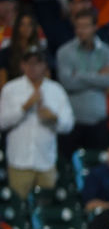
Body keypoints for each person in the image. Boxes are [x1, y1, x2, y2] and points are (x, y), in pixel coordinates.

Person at [0, 46, 74, 199]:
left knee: (45, 207)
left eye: (37, 62)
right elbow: (2, 122)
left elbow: (68, 124)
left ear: (45, 65)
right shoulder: (11, 89)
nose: (33, 67)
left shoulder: (56, 90)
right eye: (29, 62)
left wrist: (54, 118)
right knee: (19, 207)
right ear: (22, 65)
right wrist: (25, 107)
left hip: (45, 161)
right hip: (19, 161)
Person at [56, 9, 109, 152]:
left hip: (98, 122)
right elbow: (67, 82)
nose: (81, 30)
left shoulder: (106, 52)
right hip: (72, 122)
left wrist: (79, 74)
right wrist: (97, 75)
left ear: (95, 27)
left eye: (85, 26)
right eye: (78, 26)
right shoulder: (64, 52)